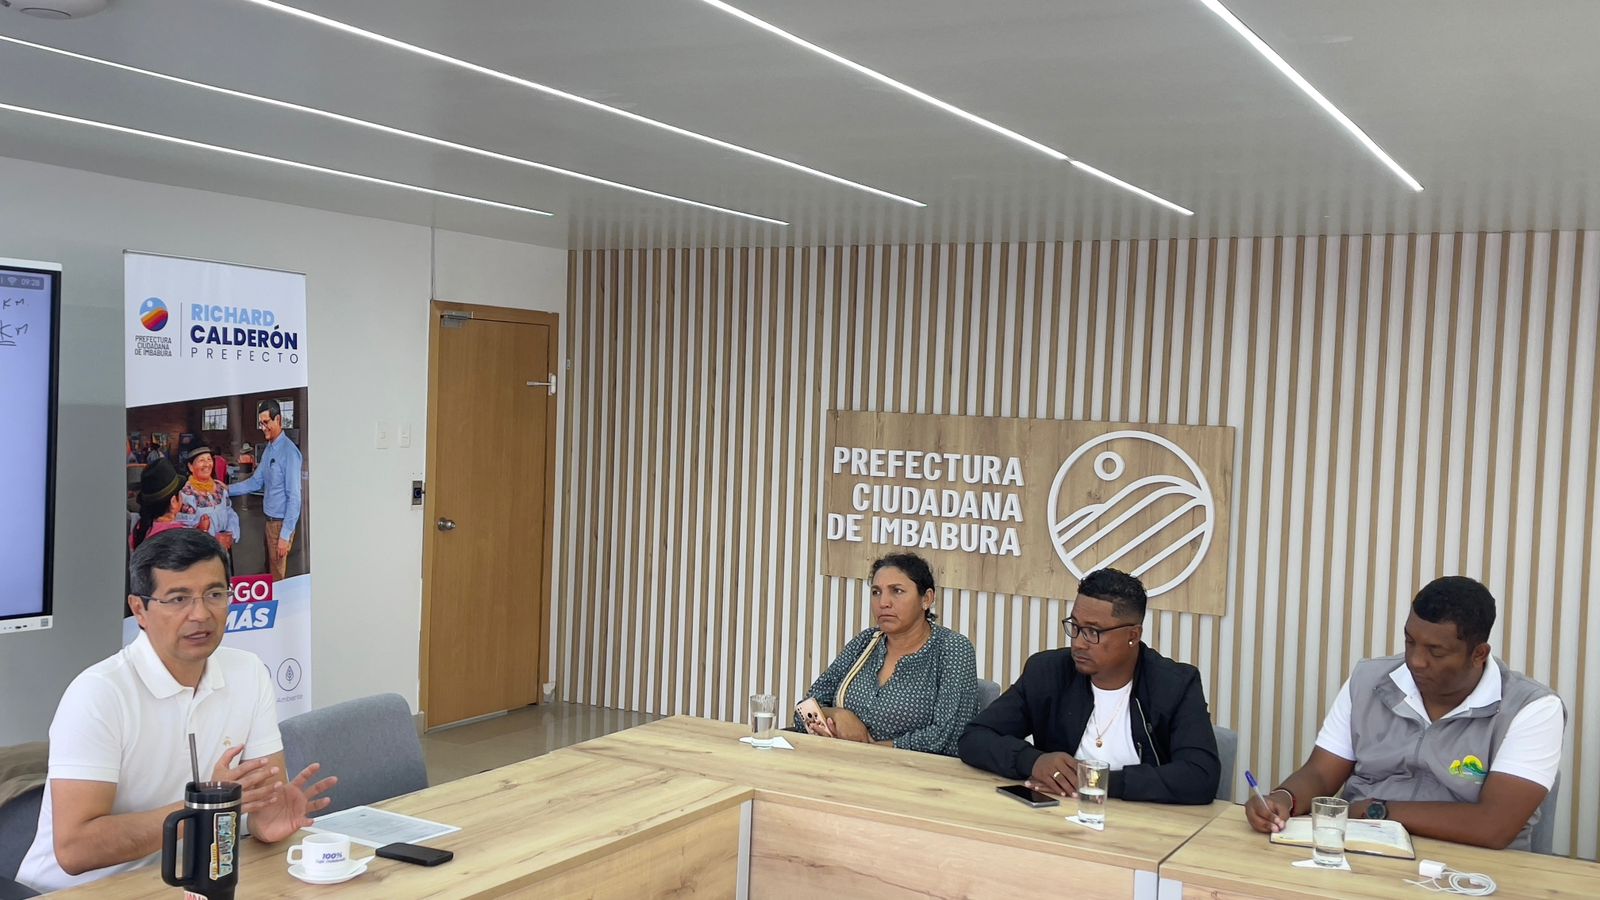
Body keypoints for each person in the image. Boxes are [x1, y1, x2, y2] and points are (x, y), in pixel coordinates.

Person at [16, 530, 336, 893]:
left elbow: (259, 804)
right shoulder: (99, 694)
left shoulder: (249, 672)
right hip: (76, 891)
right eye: (178, 599)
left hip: (187, 878)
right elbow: (75, 849)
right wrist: (203, 809)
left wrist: (265, 821)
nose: (200, 614)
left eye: (215, 594)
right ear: (139, 609)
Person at [1246, 576, 1564, 850]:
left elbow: (1494, 826)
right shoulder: (1369, 681)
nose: (1415, 661)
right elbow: (1320, 773)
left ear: (1479, 654)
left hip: (1469, 869)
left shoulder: (1531, 708)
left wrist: (1377, 811)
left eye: (1435, 651)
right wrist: (1284, 798)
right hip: (1362, 851)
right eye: (1410, 642)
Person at [958, 568, 1220, 804]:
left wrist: (1096, 781)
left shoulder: (1175, 685)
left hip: (1147, 823)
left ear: (1133, 635)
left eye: (1093, 632)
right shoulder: (1047, 672)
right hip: (1057, 816)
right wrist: (1033, 761)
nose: (1079, 643)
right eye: (1075, 626)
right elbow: (975, 737)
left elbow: (1200, 776)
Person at [795, 553, 978, 755]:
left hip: (914, 771)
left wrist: (870, 750)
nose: (883, 602)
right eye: (876, 592)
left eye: (897, 591)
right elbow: (804, 709)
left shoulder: (953, 648)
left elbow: (949, 738)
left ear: (926, 599)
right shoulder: (866, 641)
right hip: (843, 763)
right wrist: (836, 714)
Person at [228, 399, 303, 581]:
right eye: (261, 423)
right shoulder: (269, 450)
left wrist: (285, 535)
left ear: (278, 419)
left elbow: (294, 497)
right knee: (269, 570)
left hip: (280, 525)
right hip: (269, 523)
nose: (263, 427)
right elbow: (255, 482)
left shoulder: (289, 453)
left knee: (277, 578)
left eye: (266, 422)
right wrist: (226, 489)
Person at [177, 445, 240, 552]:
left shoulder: (220, 488)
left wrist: (231, 533)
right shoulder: (187, 494)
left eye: (209, 459)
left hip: (224, 548)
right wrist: (210, 537)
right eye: (201, 460)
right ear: (191, 467)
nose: (207, 464)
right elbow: (184, 529)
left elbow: (230, 512)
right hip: (202, 552)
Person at [129, 457, 187, 550]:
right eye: (180, 493)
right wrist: (203, 531)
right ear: (173, 502)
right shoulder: (179, 536)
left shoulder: (140, 528)